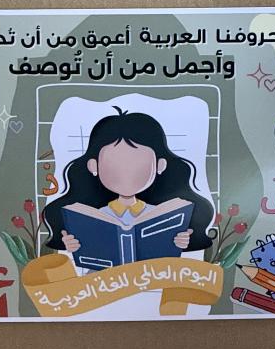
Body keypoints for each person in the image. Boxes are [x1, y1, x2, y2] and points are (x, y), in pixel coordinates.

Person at [44, 108, 214, 259]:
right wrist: (73, 245)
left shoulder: (163, 216)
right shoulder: (93, 217)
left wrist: (180, 242)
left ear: (160, 165)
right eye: (114, 163)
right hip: (102, 281)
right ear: (93, 166)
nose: (126, 171)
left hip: (153, 277)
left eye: (137, 163)